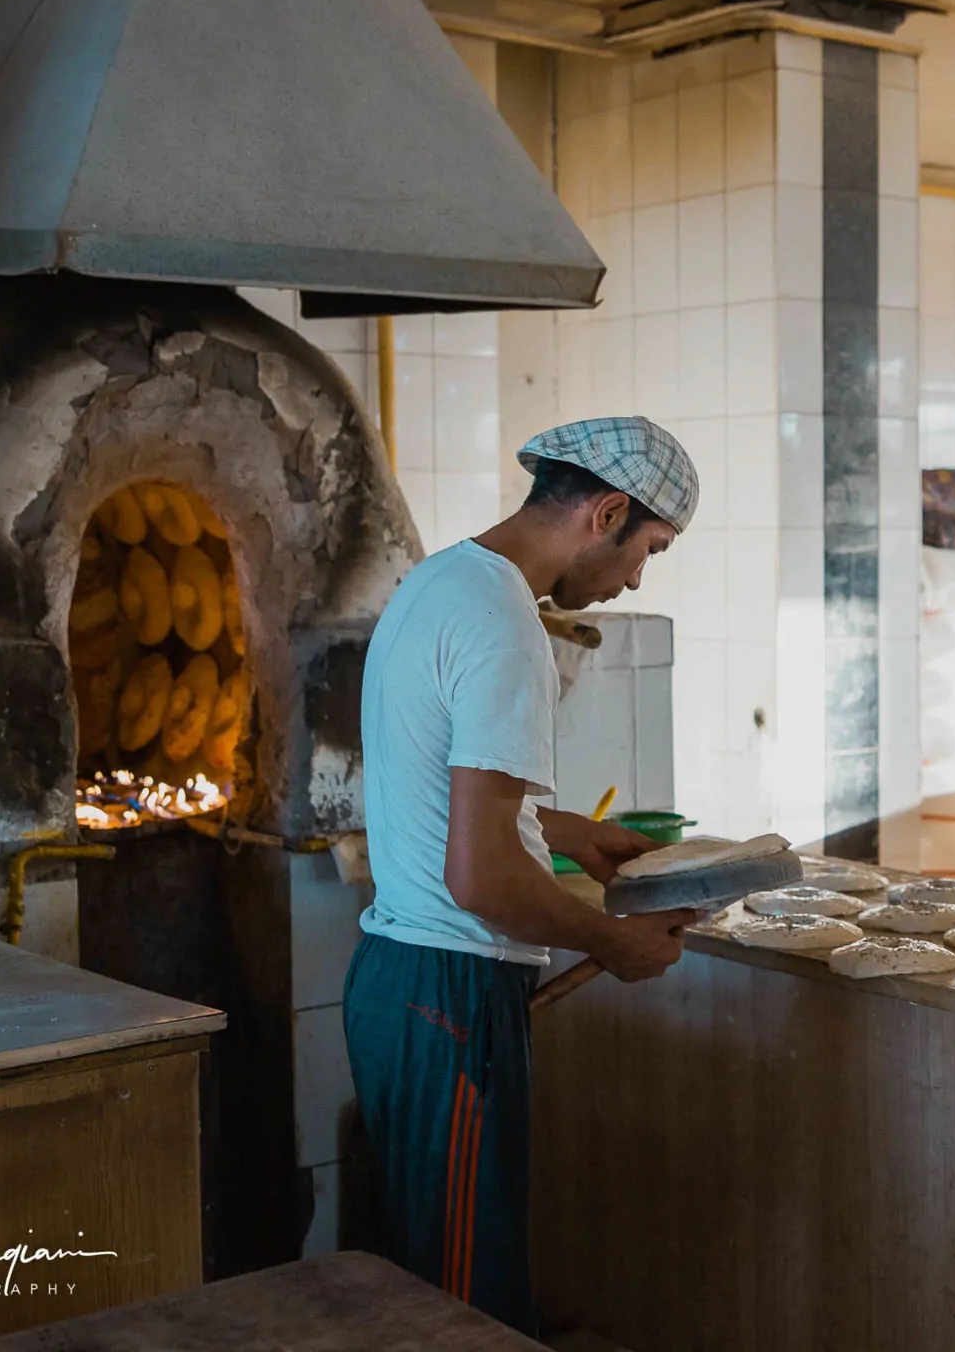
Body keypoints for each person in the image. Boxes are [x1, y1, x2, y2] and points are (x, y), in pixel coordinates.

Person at [343, 416, 703, 1331]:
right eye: (647, 550)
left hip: (397, 985)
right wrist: (613, 943)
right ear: (607, 513)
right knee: (462, 1301)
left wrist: (568, 831)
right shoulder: (508, 629)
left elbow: (434, 780)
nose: (634, 578)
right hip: (451, 992)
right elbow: (483, 878)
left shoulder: (443, 580)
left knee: (425, 1272)